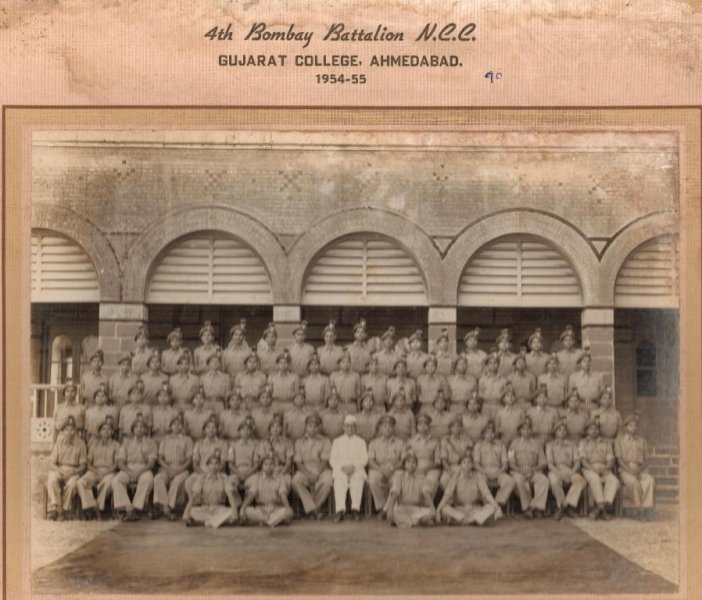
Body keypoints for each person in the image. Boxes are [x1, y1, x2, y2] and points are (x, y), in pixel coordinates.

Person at [437, 452, 501, 526]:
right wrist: (438, 509)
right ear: (460, 465)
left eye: (469, 462)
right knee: (444, 509)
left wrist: (497, 507)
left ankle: (468, 520)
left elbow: (487, 494)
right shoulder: (455, 477)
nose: (467, 465)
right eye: (464, 462)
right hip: (459, 509)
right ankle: (469, 519)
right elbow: (447, 495)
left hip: (475, 509)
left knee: (491, 507)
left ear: (472, 465)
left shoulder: (478, 476)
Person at [112, 417, 157, 521]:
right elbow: (120, 462)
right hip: (128, 468)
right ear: (132, 429)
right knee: (116, 480)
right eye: (136, 427)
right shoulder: (126, 442)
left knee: (148, 480)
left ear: (146, 429)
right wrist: (129, 472)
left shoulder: (151, 443)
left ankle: (136, 507)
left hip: (144, 468)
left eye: (142, 427)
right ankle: (129, 508)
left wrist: (139, 472)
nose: (139, 429)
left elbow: (151, 463)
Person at [292, 414, 333, 518]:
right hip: (304, 469)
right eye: (310, 426)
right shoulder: (299, 442)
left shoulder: (325, 441)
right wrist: (308, 474)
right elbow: (298, 462)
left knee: (328, 481)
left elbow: (325, 460)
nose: (313, 429)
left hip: (321, 469)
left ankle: (313, 507)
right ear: (305, 427)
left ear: (319, 428)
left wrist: (317, 473)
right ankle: (313, 509)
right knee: (295, 481)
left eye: (316, 426)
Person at [76, 419, 120, 519]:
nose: (106, 432)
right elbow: (88, 461)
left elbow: (117, 464)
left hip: (109, 472)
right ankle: (92, 506)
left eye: (109, 429)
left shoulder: (116, 445)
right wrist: (94, 470)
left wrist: (106, 472)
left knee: (107, 483)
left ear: (112, 432)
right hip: (94, 471)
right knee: (81, 482)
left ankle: (99, 507)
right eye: (103, 429)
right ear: (99, 432)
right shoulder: (94, 444)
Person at [614, 413, 655, 519]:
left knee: (650, 480)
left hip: (640, 469)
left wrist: (639, 470)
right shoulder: (619, 441)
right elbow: (619, 460)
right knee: (634, 483)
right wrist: (630, 471)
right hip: (625, 469)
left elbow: (647, 459)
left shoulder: (642, 441)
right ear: (625, 427)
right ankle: (639, 509)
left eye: (635, 426)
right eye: (631, 426)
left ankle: (646, 509)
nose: (633, 428)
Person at [46, 416, 87, 520]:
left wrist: (73, 472)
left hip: (74, 470)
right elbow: (51, 463)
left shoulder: (81, 444)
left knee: (72, 485)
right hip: (59, 469)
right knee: (52, 480)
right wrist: (61, 471)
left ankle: (61, 510)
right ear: (63, 432)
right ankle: (59, 510)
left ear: (76, 431)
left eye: (72, 429)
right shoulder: (59, 443)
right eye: (66, 430)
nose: (69, 432)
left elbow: (83, 466)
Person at [579, 417, 620, 520]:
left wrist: (604, 468)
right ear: (587, 431)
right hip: (589, 469)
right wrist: (594, 470)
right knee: (595, 479)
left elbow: (611, 460)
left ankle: (598, 509)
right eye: (591, 429)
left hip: (604, 468)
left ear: (599, 430)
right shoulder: (583, 442)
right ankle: (603, 510)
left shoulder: (606, 443)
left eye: (596, 428)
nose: (594, 431)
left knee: (614, 480)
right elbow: (583, 461)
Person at [508, 416, 549, 518]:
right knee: (518, 480)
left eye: (529, 428)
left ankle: (537, 507)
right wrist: (520, 470)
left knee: (544, 480)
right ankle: (527, 508)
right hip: (518, 470)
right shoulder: (514, 443)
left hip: (533, 470)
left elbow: (543, 462)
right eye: (524, 429)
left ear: (531, 430)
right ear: (520, 431)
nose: (526, 431)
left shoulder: (537, 443)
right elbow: (510, 462)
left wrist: (532, 470)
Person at [153, 414, 193, 519]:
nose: (177, 426)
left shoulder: (187, 440)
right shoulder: (165, 439)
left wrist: (178, 470)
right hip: (167, 467)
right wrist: (168, 469)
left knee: (177, 481)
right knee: (158, 478)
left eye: (179, 424)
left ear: (182, 427)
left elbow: (189, 460)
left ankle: (168, 507)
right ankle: (165, 507)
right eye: (174, 424)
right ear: (170, 426)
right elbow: (160, 458)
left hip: (181, 467)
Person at [329, 415, 368, 522]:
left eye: (352, 426)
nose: (350, 428)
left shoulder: (361, 441)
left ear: (356, 428)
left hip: (356, 468)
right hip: (341, 469)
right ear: (343, 427)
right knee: (339, 482)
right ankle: (340, 511)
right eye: (347, 426)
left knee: (358, 481)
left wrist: (354, 467)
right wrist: (342, 468)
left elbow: (364, 458)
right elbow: (332, 459)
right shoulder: (337, 441)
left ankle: (355, 509)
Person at [184, 453, 239, 528]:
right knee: (192, 511)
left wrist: (235, 513)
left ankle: (206, 523)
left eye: (216, 464)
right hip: (206, 508)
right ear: (207, 466)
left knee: (232, 512)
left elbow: (230, 496)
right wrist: (186, 511)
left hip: (219, 508)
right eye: (211, 464)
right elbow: (194, 496)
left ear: (219, 465)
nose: (214, 466)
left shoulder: (224, 478)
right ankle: (218, 522)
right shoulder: (202, 478)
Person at [184, 416, 231, 504]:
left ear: (217, 430)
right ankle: (196, 504)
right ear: (204, 430)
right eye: (208, 427)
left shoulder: (223, 443)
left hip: (217, 471)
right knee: (189, 482)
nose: (211, 430)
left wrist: (214, 472)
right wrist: (203, 474)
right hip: (201, 471)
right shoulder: (199, 443)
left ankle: (215, 504)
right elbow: (195, 463)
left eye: (214, 427)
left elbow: (223, 463)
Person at [546, 418, 586, 520]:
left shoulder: (572, 445)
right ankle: (564, 507)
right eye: (559, 430)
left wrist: (571, 472)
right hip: (555, 470)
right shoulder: (550, 445)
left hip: (569, 469)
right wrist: (558, 473)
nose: (562, 432)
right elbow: (550, 463)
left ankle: (564, 506)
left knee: (580, 481)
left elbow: (577, 462)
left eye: (564, 430)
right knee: (555, 482)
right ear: (555, 432)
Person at [239, 454, 294, 528]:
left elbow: (283, 494)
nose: (268, 467)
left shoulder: (280, 477)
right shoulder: (257, 478)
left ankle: (263, 522)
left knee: (288, 512)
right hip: (261, 509)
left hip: (276, 508)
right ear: (262, 466)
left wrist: (287, 507)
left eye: (271, 464)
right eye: (266, 464)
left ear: (274, 466)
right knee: (246, 511)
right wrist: (243, 508)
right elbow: (251, 495)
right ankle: (271, 521)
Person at [472, 420, 515, 512]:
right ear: (483, 434)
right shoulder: (478, 445)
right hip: (483, 470)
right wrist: (485, 472)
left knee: (510, 480)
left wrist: (498, 473)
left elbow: (505, 464)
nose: (490, 435)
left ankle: (497, 503)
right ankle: (488, 504)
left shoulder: (500, 445)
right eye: (487, 433)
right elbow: (476, 464)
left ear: (495, 434)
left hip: (497, 470)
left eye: (492, 433)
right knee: (480, 481)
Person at [384, 451, 436, 528]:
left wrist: (432, 508)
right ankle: (415, 522)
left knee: (431, 514)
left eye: (414, 462)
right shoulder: (399, 477)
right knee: (393, 513)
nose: (411, 465)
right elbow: (395, 494)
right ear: (404, 465)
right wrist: (390, 509)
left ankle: (407, 522)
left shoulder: (421, 478)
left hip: (416, 508)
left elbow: (426, 494)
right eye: (408, 462)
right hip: (402, 507)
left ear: (417, 465)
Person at [367, 415, 405, 516]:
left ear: (393, 429)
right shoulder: (373, 443)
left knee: (399, 478)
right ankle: (382, 506)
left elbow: (403, 461)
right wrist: (381, 469)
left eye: (390, 427)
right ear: (380, 428)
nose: (387, 429)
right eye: (384, 427)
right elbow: (371, 461)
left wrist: (393, 468)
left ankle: (386, 508)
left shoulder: (400, 443)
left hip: (395, 468)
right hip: (379, 468)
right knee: (373, 479)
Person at [404, 413, 440, 500]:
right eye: (420, 424)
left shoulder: (435, 442)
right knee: (414, 479)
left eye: (425, 424)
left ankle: (427, 504)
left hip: (431, 468)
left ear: (429, 427)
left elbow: (438, 462)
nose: (423, 427)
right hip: (414, 466)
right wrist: (414, 467)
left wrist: (426, 469)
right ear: (417, 427)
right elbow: (407, 458)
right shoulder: (411, 441)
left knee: (431, 480)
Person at [258, 415, 294, 491]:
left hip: (282, 469)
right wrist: (269, 454)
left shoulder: (287, 442)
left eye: (278, 427)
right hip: (267, 469)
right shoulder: (264, 442)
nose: (275, 429)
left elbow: (288, 463)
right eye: (273, 427)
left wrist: (281, 474)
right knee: (262, 483)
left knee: (286, 482)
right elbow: (261, 461)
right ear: (269, 429)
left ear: (281, 429)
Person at [439, 414, 472, 490]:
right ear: (450, 428)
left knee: (467, 480)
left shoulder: (467, 439)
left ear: (461, 428)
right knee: (444, 480)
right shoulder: (445, 440)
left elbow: (469, 455)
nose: (456, 428)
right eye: (453, 426)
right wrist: (450, 472)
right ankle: (451, 497)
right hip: (451, 466)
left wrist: (466, 467)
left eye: (459, 426)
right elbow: (443, 460)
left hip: (465, 466)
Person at [228, 421, 261, 492]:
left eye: (248, 430)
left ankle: (247, 498)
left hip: (250, 471)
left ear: (250, 432)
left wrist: (247, 474)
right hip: (237, 471)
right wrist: (239, 473)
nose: (245, 432)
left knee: (254, 484)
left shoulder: (255, 445)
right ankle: (236, 499)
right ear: (239, 432)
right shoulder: (233, 445)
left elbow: (256, 464)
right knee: (230, 485)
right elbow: (230, 464)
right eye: (243, 429)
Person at [268, 350, 301, 414]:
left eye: (286, 363)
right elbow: (270, 392)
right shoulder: (272, 377)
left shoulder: (295, 377)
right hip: (275, 403)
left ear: (289, 365)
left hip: (290, 404)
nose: (283, 365)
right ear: (277, 364)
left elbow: (296, 392)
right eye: (281, 363)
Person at [495, 383, 525, 448]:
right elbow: (497, 426)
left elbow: (523, 425)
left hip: (517, 438)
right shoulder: (500, 412)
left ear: (515, 398)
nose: (510, 398)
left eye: (512, 396)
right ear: (504, 399)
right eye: (508, 396)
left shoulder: (520, 411)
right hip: (504, 438)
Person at [200, 349, 230, 413]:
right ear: (208, 364)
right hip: (207, 403)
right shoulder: (203, 377)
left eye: (217, 362)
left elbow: (227, 393)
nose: (215, 364)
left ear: (220, 364)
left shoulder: (225, 377)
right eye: (212, 362)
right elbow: (201, 393)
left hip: (220, 403)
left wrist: (226, 406)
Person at [478, 352, 507, 420]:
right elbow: (480, 396)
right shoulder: (482, 379)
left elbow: (506, 396)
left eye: (495, 363)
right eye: (490, 363)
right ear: (487, 365)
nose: (493, 365)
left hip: (499, 405)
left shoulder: (504, 380)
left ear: (498, 365)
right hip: (486, 406)